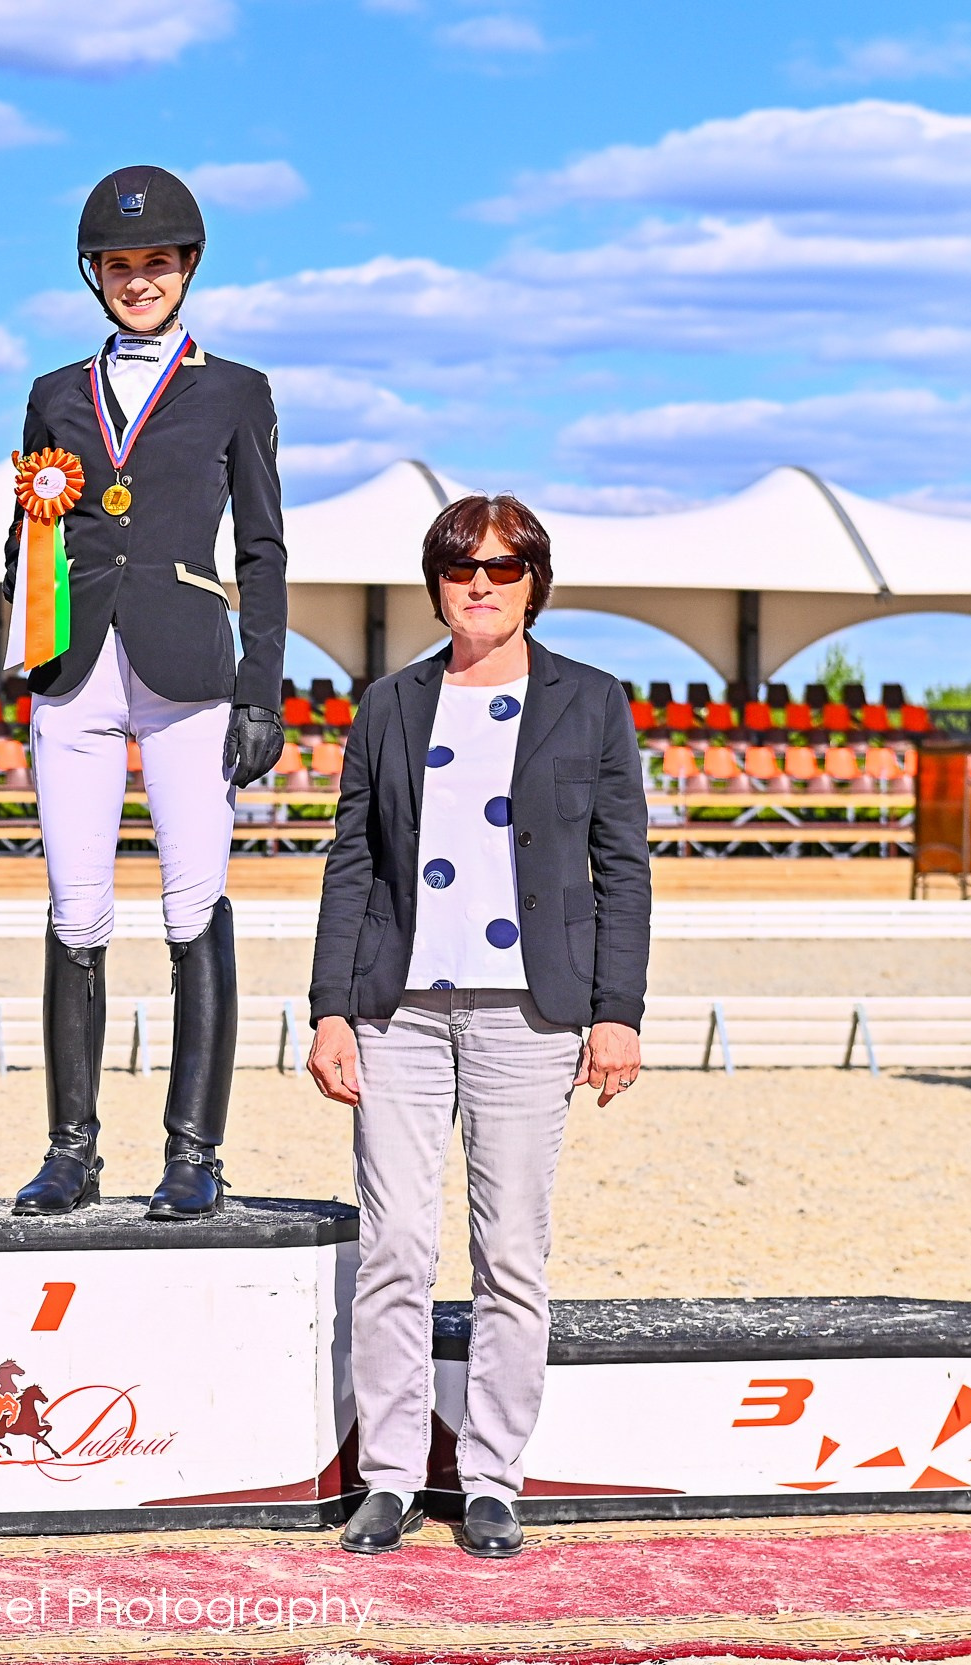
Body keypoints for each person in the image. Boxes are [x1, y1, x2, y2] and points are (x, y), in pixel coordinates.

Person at [305, 494, 650, 1559]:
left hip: (531, 1013)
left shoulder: (591, 703)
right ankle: (391, 1478)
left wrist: (615, 1012)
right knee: (396, 1249)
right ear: (438, 582)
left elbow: (622, 867)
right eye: (462, 568)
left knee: (509, 1254)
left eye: (503, 567)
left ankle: (494, 1478)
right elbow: (352, 861)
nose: (482, 584)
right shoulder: (389, 703)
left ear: (535, 579)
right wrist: (329, 1007)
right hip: (398, 1008)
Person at [4, 164, 289, 1222]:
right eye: (119, 267)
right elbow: (29, 537)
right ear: (95, 276)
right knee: (77, 908)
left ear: (187, 268)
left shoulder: (234, 391)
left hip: (186, 668)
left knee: (189, 902)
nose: (137, 281)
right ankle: (70, 1150)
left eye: (155, 263)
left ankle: (192, 1153)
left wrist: (260, 686)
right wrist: (28, 657)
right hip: (75, 671)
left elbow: (262, 549)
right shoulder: (51, 395)